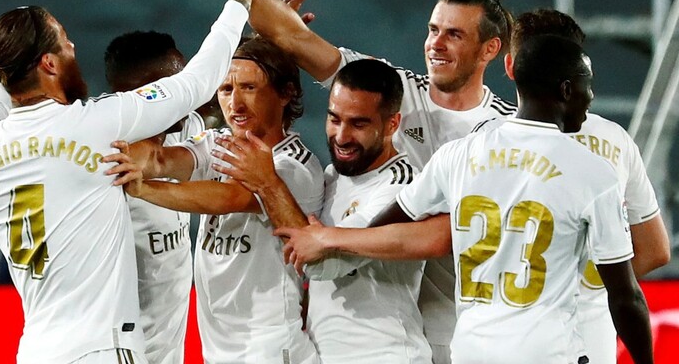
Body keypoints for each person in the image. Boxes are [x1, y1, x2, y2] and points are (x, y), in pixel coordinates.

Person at [0, 0, 261, 363]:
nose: (72, 48)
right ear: (48, 63)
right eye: (63, 41)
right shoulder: (92, 125)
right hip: (101, 348)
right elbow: (195, 84)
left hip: (37, 350)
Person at [277, 35, 654, 364]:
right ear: (568, 90)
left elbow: (386, 226)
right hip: (546, 351)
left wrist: (330, 238)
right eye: (588, 85)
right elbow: (625, 298)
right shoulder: (593, 171)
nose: (591, 97)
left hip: (472, 350)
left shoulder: (457, 155)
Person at [248, 0, 516, 362]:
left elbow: (443, 234)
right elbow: (291, 36)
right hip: (397, 318)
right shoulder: (392, 88)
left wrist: (327, 237)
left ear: (490, 49)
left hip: (473, 326)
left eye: (454, 35)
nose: (436, 44)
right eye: (433, 30)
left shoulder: (507, 131)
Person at [106, 36, 324, 364]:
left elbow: (230, 197)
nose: (235, 103)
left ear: (286, 93)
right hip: (218, 351)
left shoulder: (296, 166)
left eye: (249, 88)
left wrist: (144, 189)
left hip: (270, 351)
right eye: (225, 89)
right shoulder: (217, 143)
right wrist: (114, 154)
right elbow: (160, 160)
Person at [211, 59, 434, 363]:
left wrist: (268, 184)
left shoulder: (402, 186)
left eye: (358, 124)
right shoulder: (333, 176)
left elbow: (325, 266)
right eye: (334, 119)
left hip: (385, 355)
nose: (341, 136)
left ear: (392, 125)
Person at [504, 8, 670, 364]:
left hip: (503, 336)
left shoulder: (484, 142)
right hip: (591, 336)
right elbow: (656, 249)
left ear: (511, 67)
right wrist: (599, 283)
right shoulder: (614, 140)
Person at [103, 30, 206, 364]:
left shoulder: (189, 128)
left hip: (170, 353)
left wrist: (268, 37)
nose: (188, 93)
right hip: (116, 350)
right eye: (178, 85)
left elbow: (219, 81)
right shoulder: (101, 159)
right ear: (148, 92)